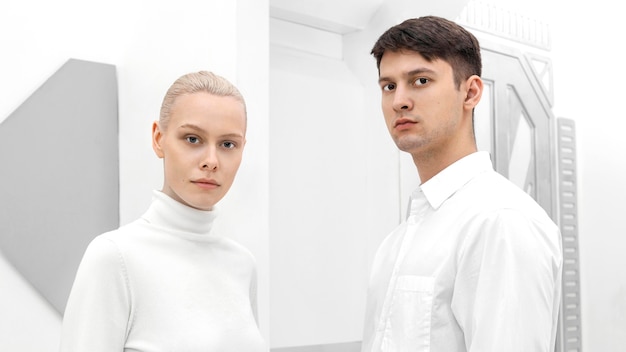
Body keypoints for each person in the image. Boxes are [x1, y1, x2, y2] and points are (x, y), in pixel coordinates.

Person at [361, 16, 563, 352]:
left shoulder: (501, 221)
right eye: (389, 86)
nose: (399, 101)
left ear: (470, 92)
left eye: (420, 80)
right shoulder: (398, 240)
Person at [60, 71, 266, 351]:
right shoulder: (114, 257)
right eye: (193, 139)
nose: (211, 161)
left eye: (228, 144)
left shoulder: (242, 264)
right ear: (159, 138)